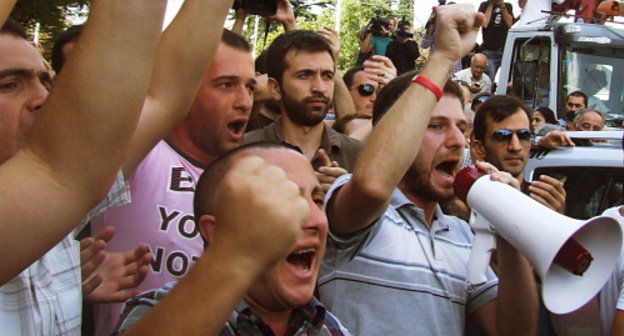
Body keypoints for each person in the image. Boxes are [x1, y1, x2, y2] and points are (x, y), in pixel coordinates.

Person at [317, 4, 538, 335]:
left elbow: (515, 332)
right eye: (435, 126)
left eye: (461, 128)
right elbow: (374, 186)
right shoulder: (356, 209)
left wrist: (512, 235)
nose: (456, 141)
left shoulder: (465, 237)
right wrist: (443, 59)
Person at [0, 0, 181, 333]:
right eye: (9, 84)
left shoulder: (56, 214)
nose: (43, 97)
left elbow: (162, 97)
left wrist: (63, 286)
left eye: (46, 81)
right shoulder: (58, 185)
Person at [91, 27, 256, 335]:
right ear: (183, 88)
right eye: (226, 85)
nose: (245, 101)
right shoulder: (137, 158)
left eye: (250, 87)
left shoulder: (252, 175)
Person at [114, 144, 351, 336]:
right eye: (282, 202)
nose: (315, 220)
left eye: (318, 200)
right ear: (216, 233)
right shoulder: (156, 315)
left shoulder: (327, 328)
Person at [244, 30, 362, 173]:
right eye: (304, 75)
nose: (319, 88)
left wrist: (344, 192)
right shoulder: (244, 152)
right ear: (275, 88)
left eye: (327, 76)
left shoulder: (359, 156)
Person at [479, 0, 514, 80]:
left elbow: (510, 23)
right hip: (489, 51)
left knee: (509, 76)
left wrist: (502, 5)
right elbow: (484, 23)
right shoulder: (484, 5)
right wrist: (491, 5)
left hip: (504, 51)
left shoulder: (507, 6)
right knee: (489, 75)